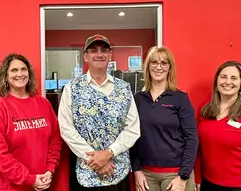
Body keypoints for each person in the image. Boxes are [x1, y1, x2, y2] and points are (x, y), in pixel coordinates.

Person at [58, 34, 140, 191]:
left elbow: (132, 129)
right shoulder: (72, 88)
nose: (99, 54)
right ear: (86, 56)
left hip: (117, 171)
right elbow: (66, 128)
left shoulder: (124, 88)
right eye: (94, 50)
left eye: (104, 50)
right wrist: (95, 159)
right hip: (85, 172)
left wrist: (108, 153)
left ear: (110, 55)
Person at [0, 53, 62, 191]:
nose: (20, 74)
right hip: (9, 187)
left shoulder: (43, 103)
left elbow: (55, 140)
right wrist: (29, 178)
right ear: (5, 76)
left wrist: (49, 170)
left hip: (42, 182)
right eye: (14, 70)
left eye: (23, 69)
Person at [130, 46, 198, 191]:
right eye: (154, 62)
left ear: (170, 68)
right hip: (146, 174)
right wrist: (136, 170)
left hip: (175, 174)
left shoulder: (180, 98)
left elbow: (192, 139)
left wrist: (183, 176)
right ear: (148, 67)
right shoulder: (138, 99)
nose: (158, 67)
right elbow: (132, 136)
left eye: (164, 63)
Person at [197, 61, 241, 191]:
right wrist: (197, 177)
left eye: (234, 78)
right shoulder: (205, 109)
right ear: (216, 82)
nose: (227, 82)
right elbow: (197, 146)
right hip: (208, 183)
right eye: (223, 77)